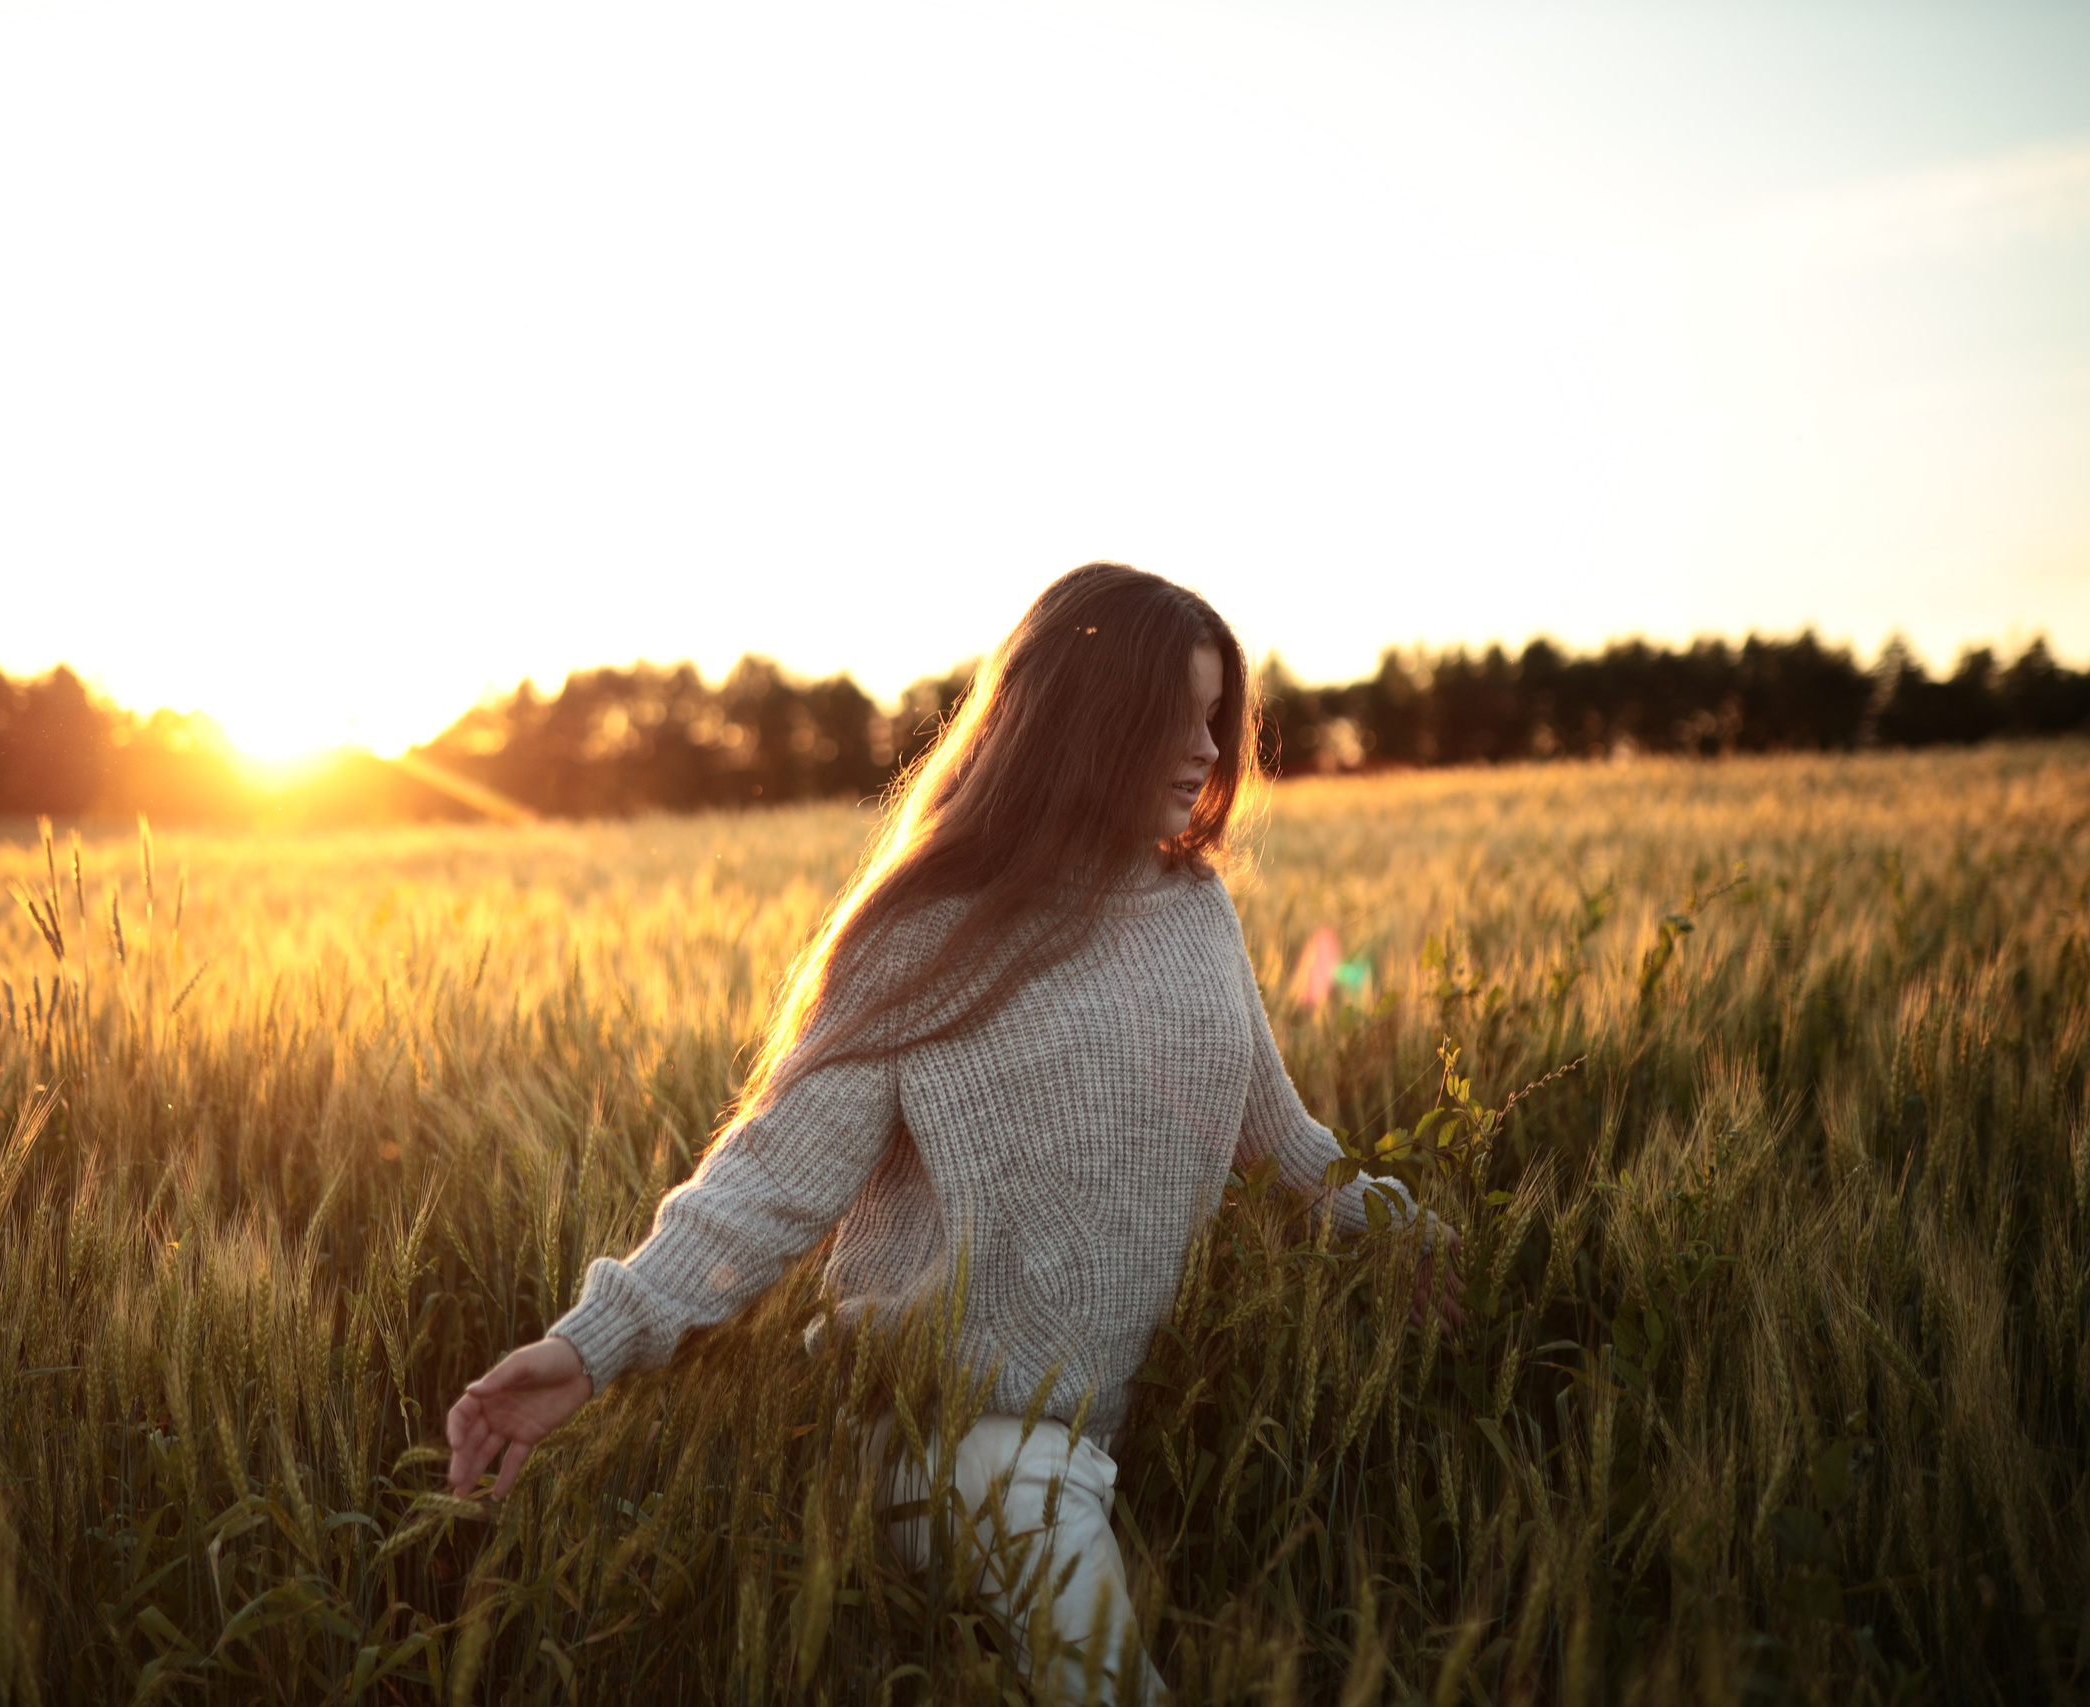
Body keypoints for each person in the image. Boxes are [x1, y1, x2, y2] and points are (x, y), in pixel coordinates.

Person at [444, 563, 1464, 1703]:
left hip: (1101, 1429)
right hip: (946, 1430)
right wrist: (592, 1345)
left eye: (1217, 721)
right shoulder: (927, 933)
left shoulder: (1195, 910)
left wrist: (1396, 1231)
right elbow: (766, 1184)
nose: (1205, 754)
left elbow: (1275, 1134)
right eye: (1171, 719)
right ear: (1077, 721)